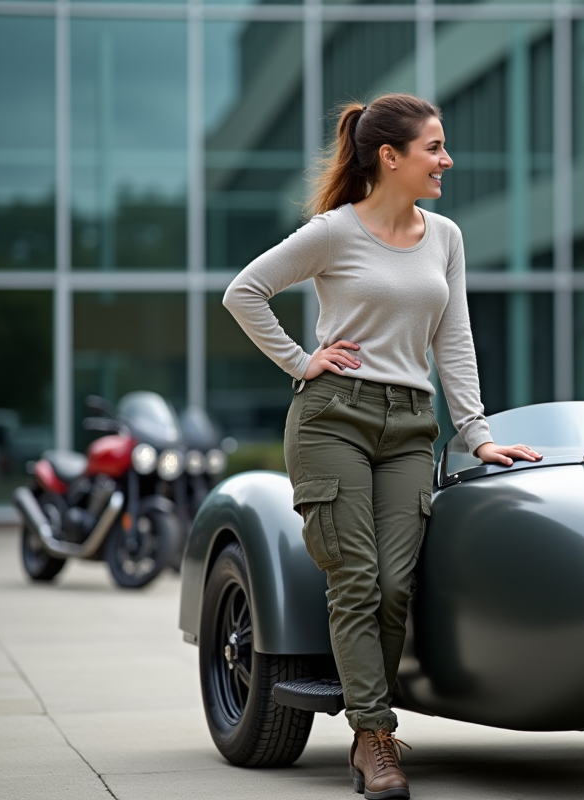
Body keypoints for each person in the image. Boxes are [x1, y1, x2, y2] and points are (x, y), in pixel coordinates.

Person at [224, 93, 540, 800]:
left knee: (397, 584)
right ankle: (374, 737)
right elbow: (245, 292)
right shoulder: (334, 232)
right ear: (389, 158)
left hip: (409, 428)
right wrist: (301, 361)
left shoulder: (446, 236)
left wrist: (478, 435)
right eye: (434, 147)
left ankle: (373, 726)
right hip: (333, 417)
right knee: (356, 579)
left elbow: (453, 340)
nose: (447, 159)